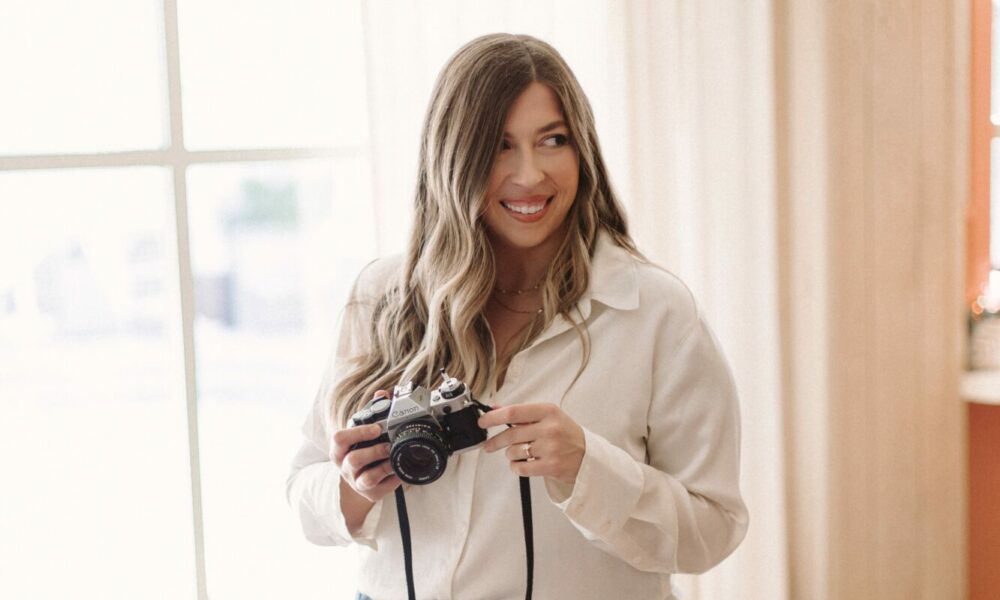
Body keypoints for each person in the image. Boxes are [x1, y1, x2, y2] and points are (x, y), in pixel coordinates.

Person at [287, 33, 748, 600]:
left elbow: (714, 529)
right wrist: (355, 488)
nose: (530, 175)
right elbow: (304, 488)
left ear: (582, 150)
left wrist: (588, 468)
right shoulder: (382, 295)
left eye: (552, 140)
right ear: (454, 158)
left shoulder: (656, 312)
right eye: (500, 146)